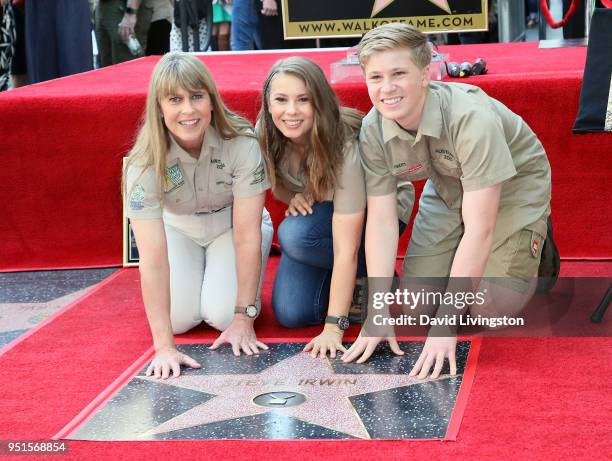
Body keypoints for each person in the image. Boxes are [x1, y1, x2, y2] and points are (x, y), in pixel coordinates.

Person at [342, 23, 558, 376]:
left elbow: (480, 229)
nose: (387, 88)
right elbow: (381, 220)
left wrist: (445, 327)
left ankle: (538, 244)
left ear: (426, 74)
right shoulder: (373, 128)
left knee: (489, 308)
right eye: (376, 77)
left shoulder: (472, 120)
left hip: (513, 188)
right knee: (414, 308)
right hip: (449, 183)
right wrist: (378, 310)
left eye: (399, 73)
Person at [123, 52, 274, 379]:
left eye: (196, 97)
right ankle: (202, 279)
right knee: (178, 320)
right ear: (159, 109)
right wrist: (163, 346)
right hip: (178, 228)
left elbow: (245, 235)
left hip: (231, 223)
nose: (188, 110)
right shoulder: (143, 163)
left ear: (211, 100)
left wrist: (243, 318)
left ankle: (231, 286)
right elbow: (152, 258)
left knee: (222, 315)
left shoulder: (241, 143)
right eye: (175, 99)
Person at [257, 57, 413, 358]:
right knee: (292, 313)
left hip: (378, 213)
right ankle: (357, 282)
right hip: (324, 213)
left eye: (303, 99)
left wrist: (334, 326)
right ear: (268, 102)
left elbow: (345, 247)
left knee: (294, 235)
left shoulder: (345, 146)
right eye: (281, 100)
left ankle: (375, 272)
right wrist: (293, 195)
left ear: (320, 101)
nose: (290, 111)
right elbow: (276, 181)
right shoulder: (266, 129)